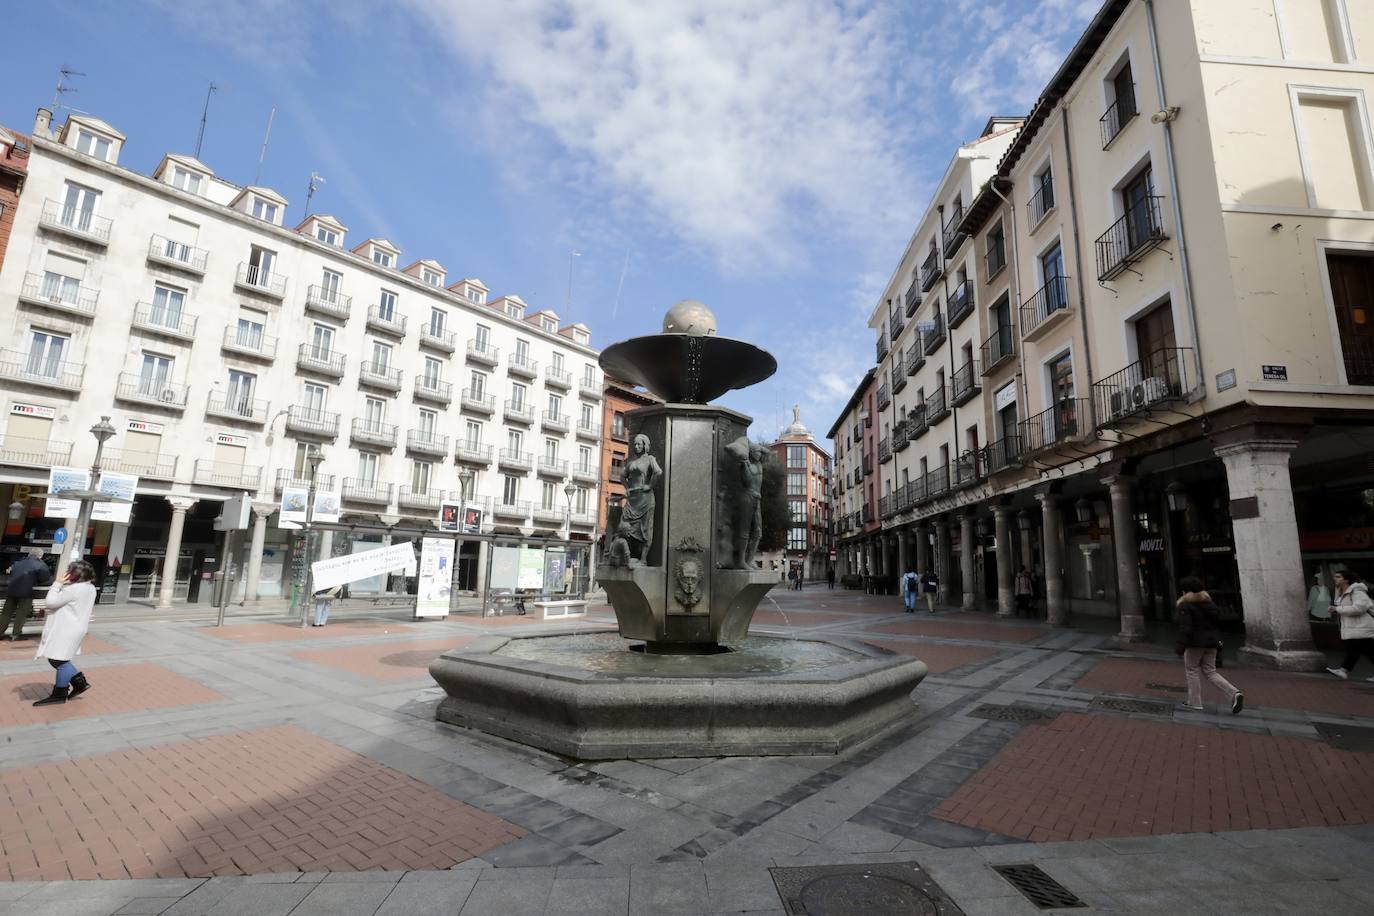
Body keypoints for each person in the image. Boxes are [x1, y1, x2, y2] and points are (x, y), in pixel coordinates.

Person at [32, 560, 97, 706]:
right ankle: (79, 683)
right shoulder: (90, 588)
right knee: (61, 658)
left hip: (66, 628)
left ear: (73, 574)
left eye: (69, 570)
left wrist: (57, 584)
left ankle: (60, 693)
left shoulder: (73, 589)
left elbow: (50, 602)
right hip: (76, 627)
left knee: (58, 660)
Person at [1175, 576, 1243, 714]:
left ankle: (1195, 702)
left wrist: (1180, 646)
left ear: (1185, 591)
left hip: (1195, 644)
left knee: (1192, 670)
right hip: (1211, 642)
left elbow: (1186, 628)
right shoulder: (1210, 604)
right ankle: (1234, 693)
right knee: (1210, 671)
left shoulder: (1185, 606)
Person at [1325, 569, 1374, 681]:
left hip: (1362, 626)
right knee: (1363, 650)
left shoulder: (1357, 592)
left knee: (1357, 649)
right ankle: (1344, 671)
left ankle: (1344, 671)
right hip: (1356, 627)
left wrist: (1337, 609)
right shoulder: (1343, 592)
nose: (1335, 579)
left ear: (1346, 580)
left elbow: (1359, 608)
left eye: (1338, 577)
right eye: (1335, 576)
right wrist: (1335, 609)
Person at [1, 548, 53, 640]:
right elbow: (45, 578)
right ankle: (15, 634)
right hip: (27, 591)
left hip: (12, 590)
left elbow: (11, 572)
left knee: (6, 613)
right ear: (40, 556)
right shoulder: (40, 564)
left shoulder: (18, 562)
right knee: (21, 613)